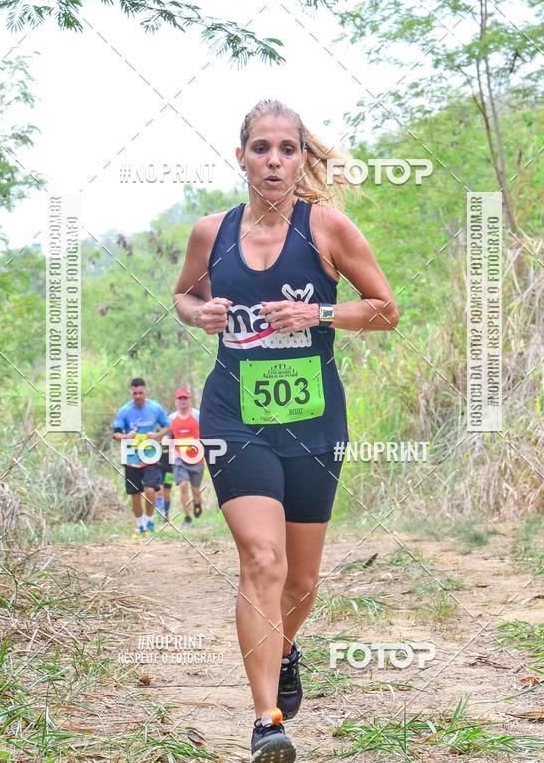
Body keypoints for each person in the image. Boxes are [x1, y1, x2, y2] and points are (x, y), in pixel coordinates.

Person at [174, 99, 399, 762]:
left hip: (312, 420)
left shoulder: (327, 228)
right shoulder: (209, 232)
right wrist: (199, 314)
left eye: (287, 149)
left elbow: (386, 310)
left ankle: (285, 646)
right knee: (262, 561)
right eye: (261, 148)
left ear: (302, 158)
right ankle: (268, 721)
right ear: (240, 155)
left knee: (301, 582)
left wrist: (319, 314)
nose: (274, 160)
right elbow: (184, 294)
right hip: (233, 417)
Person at [112, 377, 171, 537]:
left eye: (141, 393)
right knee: (135, 493)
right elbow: (115, 434)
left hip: (151, 456)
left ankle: (150, 519)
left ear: (145, 392)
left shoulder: (155, 408)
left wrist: (157, 435)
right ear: (131, 393)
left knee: (151, 489)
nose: (138, 396)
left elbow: (167, 426)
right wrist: (125, 437)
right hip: (131, 458)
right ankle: (140, 525)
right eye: (135, 393)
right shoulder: (124, 410)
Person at [167, 388, 204, 525]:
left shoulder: (198, 415)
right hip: (178, 457)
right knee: (183, 486)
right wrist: (166, 440)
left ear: (189, 399)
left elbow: (206, 432)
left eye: (185, 398)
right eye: (180, 399)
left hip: (196, 457)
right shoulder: (171, 418)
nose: (182, 401)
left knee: (195, 490)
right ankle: (187, 518)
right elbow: (167, 435)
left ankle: (198, 504)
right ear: (176, 401)